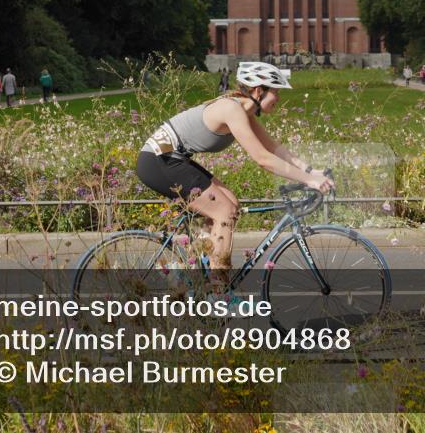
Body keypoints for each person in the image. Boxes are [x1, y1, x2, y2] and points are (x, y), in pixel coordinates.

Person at [136, 61, 334, 295]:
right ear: (259, 91)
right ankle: (218, 294)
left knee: (231, 203)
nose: (278, 98)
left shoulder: (243, 110)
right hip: (159, 160)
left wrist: (311, 172)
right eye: (276, 92)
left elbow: (274, 149)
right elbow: (263, 159)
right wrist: (308, 181)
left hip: (172, 159)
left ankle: (190, 272)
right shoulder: (232, 109)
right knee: (224, 212)